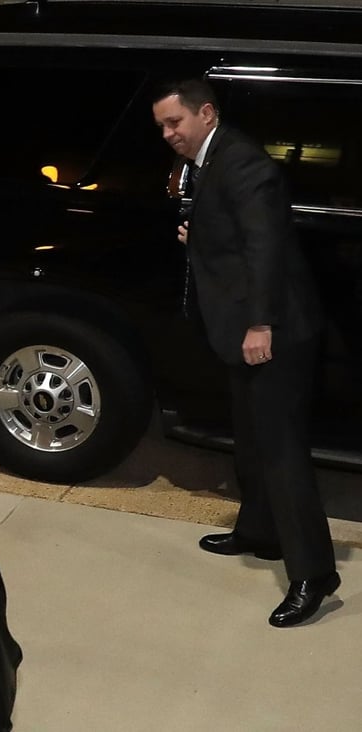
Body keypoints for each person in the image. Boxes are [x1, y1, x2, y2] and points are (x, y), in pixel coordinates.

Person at [151, 79, 338, 627]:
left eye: (174, 123)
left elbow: (267, 248)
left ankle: (315, 573)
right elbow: (234, 235)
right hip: (240, 328)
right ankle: (261, 532)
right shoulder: (211, 159)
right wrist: (201, 238)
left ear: (205, 113)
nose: (168, 135)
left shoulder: (244, 164)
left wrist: (260, 323)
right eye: (162, 126)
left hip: (273, 332)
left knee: (281, 451)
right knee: (252, 437)